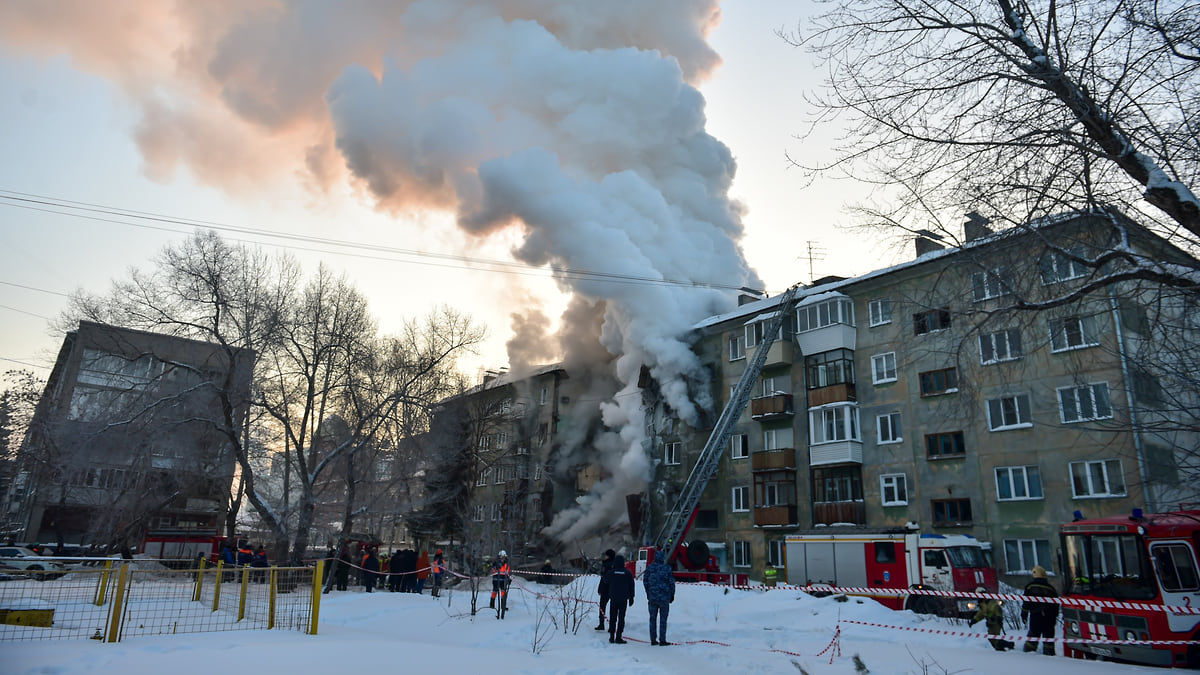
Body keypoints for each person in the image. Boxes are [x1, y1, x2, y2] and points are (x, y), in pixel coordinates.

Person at [1021, 565, 1059, 655]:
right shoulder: (1051, 589)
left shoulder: (1030, 587)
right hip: (1049, 617)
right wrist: (1055, 617)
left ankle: (1029, 653)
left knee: (1033, 636)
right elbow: (1055, 605)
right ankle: (1049, 654)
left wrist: (1024, 614)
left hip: (1035, 616)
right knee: (1048, 637)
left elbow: (1026, 603)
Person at [642, 548, 675, 646]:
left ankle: (653, 639)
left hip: (652, 597)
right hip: (664, 598)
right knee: (663, 620)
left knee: (652, 618)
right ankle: (662, 640)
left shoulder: (650, 568)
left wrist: (648, 592)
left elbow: (645, 581)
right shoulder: (667, 568)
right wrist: (672, 595)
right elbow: (671, 583)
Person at [604, 554, 635, 644]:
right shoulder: (627, 573)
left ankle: (611, 637)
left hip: (613, 598)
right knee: (621, 618)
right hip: (623, 599)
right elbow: (631, 586)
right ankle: (619, 637)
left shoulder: (611, 572)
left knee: (613, 618)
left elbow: (605, 581)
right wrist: (631, 597)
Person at [969, 586, 1011, 651]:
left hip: (995, 622)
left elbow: (997, 609)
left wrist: (998, 618)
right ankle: (1003, 647)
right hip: (990, 623)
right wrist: (974, 620)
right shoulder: (983, 603)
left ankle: (1006, 646)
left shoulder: (990, 602)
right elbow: (981, 614)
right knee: (991, 639)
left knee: (994, 639)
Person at [595, 548, 616, 630]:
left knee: (602, 606)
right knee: (613, 608)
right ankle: (612, 626)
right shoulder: (616, 564)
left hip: (606, 589)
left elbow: (603, 578)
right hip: (614, 589)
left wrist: (600, 589)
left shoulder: (606, 565)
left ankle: (601, 624)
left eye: (606, 555)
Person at [490, 550, 511, 616]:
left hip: (503, 580)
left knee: (503, 593)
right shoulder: (496, 562)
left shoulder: (507, 564)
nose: (503, 558)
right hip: (496, 579)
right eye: (501, 557)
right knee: (495, 591)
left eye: (504, 557)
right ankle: (492, 605)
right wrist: (498, 566)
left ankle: (503, 606)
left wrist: (508, 578)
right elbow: (494, 569)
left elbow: (507, 572)